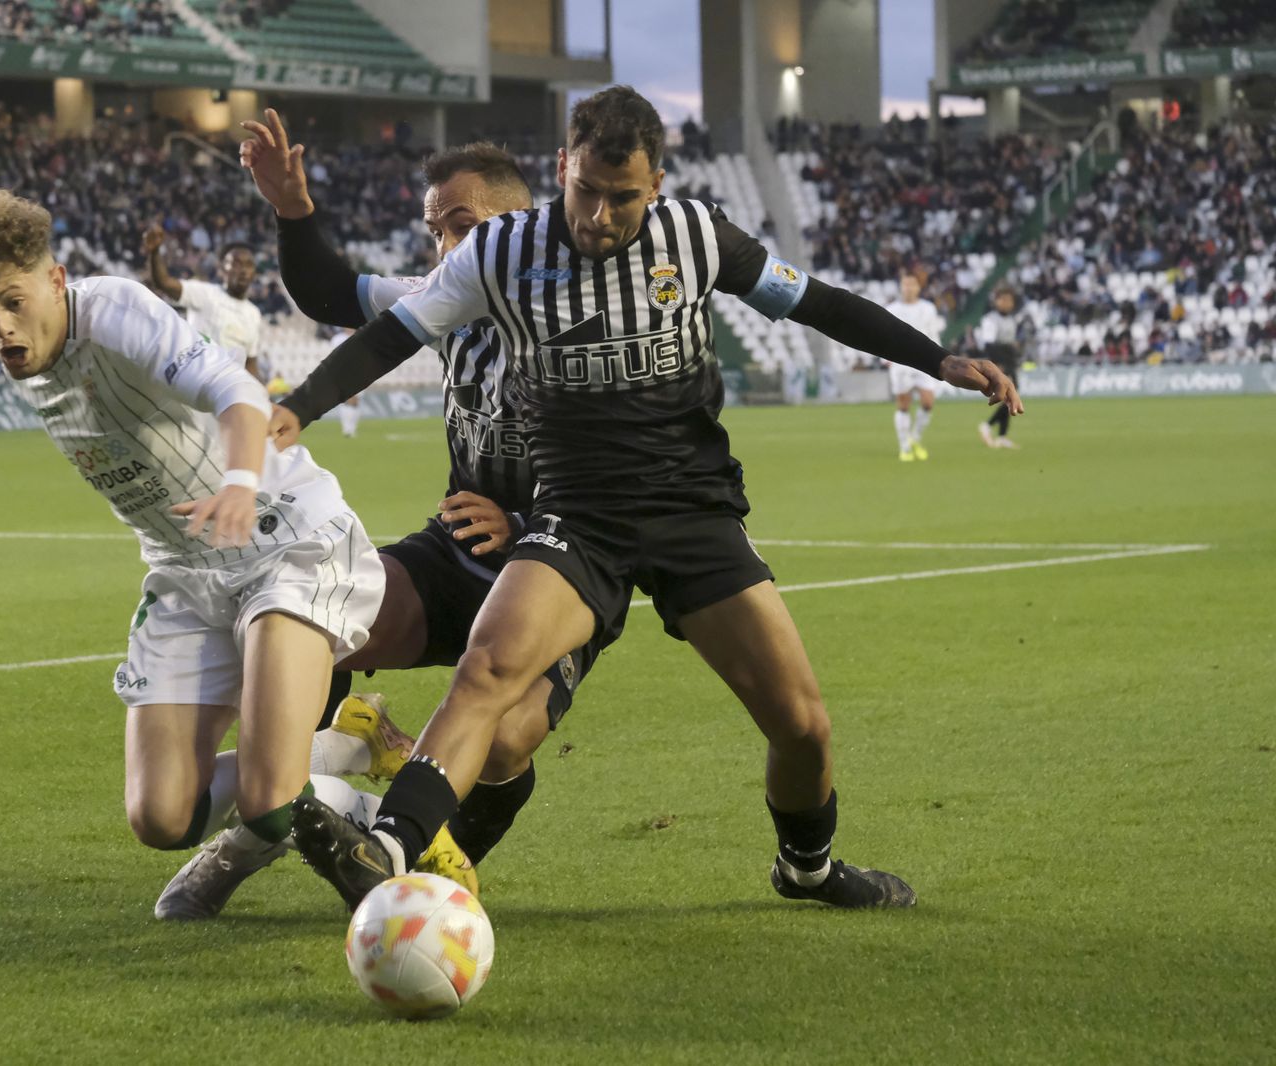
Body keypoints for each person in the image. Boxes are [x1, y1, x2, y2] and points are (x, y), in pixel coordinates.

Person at [275, 86, 1022, 912]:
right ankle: (387, 850)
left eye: (622, 197)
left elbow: (815, 303)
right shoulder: (499, 254)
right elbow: (392, 333)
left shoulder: (698, 238)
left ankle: (805, 868)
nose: (599, 215)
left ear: (656, 184)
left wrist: (936, 358)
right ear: (564, 166)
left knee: (803, 726)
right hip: (575, 517)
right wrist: (297, 407)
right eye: (585, 190)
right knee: (489, 669)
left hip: (690, 512)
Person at [0, 190, 458, 923]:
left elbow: (238, 393)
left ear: (55, 280)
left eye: (12, 302)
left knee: (270, 801)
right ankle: (341, 754)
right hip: (186, 571)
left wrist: (240, 485)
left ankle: (328, 825)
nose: (0, 328)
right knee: (160, 816)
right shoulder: (32, 355)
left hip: (282, 540)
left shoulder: (111, 310)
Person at [241, 110, 608, 879]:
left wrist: (523, 522)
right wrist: (293, 211)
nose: (444, 248)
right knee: (319, 609)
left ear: (521, 223)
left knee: (506, 740)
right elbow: (329, 291)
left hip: (565, 563)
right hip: (457, 553)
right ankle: (288, 808)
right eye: (435, 231)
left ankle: (436, 866)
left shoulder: (588, 318)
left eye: (461, 226)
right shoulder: (437, 298)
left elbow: (633, 470)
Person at [143, 226, 264, 382]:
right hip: (194, 382)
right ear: (222, 269)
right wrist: (154, 252)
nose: (243, 270)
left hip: (226, 390)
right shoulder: (205, 294)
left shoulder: (253, 313)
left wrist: (260, 394)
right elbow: (164, 282)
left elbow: (250, 362)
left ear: (254, 272)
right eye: (236, 263)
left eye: (248, 265)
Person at [884, 271, 946, 461]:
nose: (909, 288)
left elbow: (933, 334)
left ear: (919, 288)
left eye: (912, 284)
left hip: (924, 360)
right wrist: (884, 356)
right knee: (903, 404)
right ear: (901, 287)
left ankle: (915, 438)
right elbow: (883, 333)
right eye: (906, 284)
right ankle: (904, 447)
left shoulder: (928, 308)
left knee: (928, 402)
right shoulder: (892, 308)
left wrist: (940, 358)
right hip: (901, 362)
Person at [975, 287, 1024, 449]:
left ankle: (1002, 436)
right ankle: (987, 426)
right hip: (999, 363)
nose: (1007, 303)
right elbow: (989, 345)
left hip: (1009, 361)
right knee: (1009, 396)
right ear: (996, 301)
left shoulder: (1011, 320)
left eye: (1009, 300)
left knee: (1010, 397)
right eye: (1003, 300)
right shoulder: (990, 319)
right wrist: (998, 364)